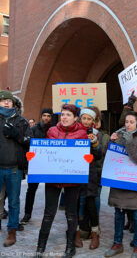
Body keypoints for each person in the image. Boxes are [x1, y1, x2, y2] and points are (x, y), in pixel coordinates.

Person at [34, 104, 87, 258]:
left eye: (68, 115)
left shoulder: (82, 133)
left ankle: (70, 247)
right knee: (49, 213)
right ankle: (40, 246)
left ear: (75, 118)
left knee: (71, 214)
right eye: (63, 114)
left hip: (72, 180)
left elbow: (84, 156)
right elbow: (45, 154)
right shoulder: (51, 131)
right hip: (53, 179)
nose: (64, 117)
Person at [105, 111, 137, 258]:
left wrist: (128, 141)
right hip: (119, 181)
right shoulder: (120, 136)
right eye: (126, 122)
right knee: (118, 214)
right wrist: (111, 142)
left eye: (131, 122)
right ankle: (117, 243)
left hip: (135, 182)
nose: (128, 125)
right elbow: (110, 157)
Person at [0, 90, 32, 247]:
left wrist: (16, 134)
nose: (6, 102)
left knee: (13, 201)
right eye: (3, 100)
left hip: (14, 168)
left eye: (9, 100)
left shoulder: (21, 121)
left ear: (13, 103)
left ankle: (11, 231)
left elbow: (29, 141)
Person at [74, 107, 102, 250]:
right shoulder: (74, 132)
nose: (86, 121)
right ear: (80, 118)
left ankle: (95, 233)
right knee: (77, 203)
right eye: (84, 118)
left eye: (89, 119)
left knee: (91, 204)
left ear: (93, 121)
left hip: (90, 173)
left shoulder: (95, 134)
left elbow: (98, 156)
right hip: (75, 171)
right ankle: (76, 232)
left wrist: (95, 143)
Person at [20, 108, 53, 225]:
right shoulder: (33, 129)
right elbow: (28, 145)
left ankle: (48, 216)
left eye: (49, 116)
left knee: (51, 192)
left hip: (50, 166)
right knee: (31, 190)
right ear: (41, 116)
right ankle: (27, 214)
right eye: (44, 115)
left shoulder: (54, 130)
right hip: (36, 165)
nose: (46, 118)